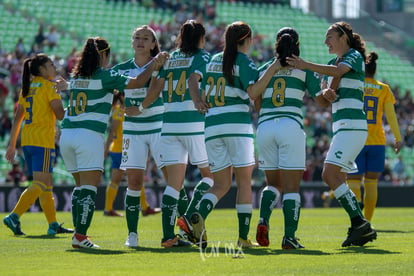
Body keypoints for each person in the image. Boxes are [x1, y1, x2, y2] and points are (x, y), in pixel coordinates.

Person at [60, 37, 168, 249]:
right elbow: (136, 82)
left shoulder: (77, 76)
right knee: (89, 190)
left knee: (79, 187)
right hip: (88, 136)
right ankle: (80, 237)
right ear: (103, 55)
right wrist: (153, 66)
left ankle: (77, 233)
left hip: (67, 135)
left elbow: (70, 88)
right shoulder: (105, 75)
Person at [178, 21, 272, 248]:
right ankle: (242, 238)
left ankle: (197, 215)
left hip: (211, 126)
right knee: (244, 183)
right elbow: (252, 91)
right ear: (247, 39)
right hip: (237, 126)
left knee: (220, 184)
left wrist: (198, 101)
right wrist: (272, 70)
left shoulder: (212, 60)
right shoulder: (243, 60)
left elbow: (198, 86)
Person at [287, 21, 377, 247]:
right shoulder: (332, 63)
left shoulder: (353, 55)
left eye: (329, 37)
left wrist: (305, 64)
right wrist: (327, 93)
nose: (326, 41)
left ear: (343, 37)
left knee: (328, 175)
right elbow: (327, 100)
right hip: (343, 126)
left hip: (353, 126)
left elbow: (337, 72)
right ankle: (360, 225)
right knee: (338, 178)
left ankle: (360, 222)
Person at [251, 27, 329, 249]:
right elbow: (321, 102)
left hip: (265, 127)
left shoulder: (265, 68)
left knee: (272, 184)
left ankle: (263, 220)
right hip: (290, 126)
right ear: (297, 44)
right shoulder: (304, 70)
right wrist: (327, 92)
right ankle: (289, 238)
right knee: (292, 188)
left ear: (276, 44)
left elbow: (256, 102)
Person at [138, 20, 214, 248]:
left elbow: (155, 89)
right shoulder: (201, 56)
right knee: (211, 177)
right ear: (201, 38)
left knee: (173, 185)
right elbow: (193, 80)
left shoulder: (168, 58)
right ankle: (190, 218)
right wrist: (198, 100)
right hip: (193, 124)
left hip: (168, 125)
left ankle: (167, 237)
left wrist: (141, 108)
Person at [3, 53, 73, 236]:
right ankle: (14, 216)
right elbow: (60, 115)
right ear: (42, 69)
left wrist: (11, 145)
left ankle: (53, 225)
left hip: (28, 141)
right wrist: (75, 104)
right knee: (41, 183)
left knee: (47, 184)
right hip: (42, 141)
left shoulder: (26, 89)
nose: (55, 67)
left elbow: (18, 119)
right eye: (51, 64)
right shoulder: (50, 87)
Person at [110, 25, 168, 247]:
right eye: (137, 37)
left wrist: (141, 108)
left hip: (159, 128)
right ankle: (132, 234)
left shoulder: (161, 65)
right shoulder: (121, 68)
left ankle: (175, 233)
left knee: (171, 180)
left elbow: (154, 91)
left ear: (154, 44)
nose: (141, 41)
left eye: (146, 38)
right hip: (132, 131)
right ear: (132, 42)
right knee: (133, 181)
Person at [347, 52, 402, 222]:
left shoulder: (355, 85)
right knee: (371, 183)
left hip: (357, 138)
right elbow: (391, 116)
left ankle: (357, 220)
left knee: (354, 181)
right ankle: (368, 222)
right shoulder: (383, 89)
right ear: (375, 70)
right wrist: (398, 138)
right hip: (377, 141)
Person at [103, 91, 125, 217]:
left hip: (118, 149)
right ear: (122, 96)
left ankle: (108, 208)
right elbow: (112, 131)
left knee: (114, 181)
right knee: (135, 176)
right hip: (120, 149)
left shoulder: (121, 110)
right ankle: (145, 207)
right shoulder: (120, 111)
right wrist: (106, 149)